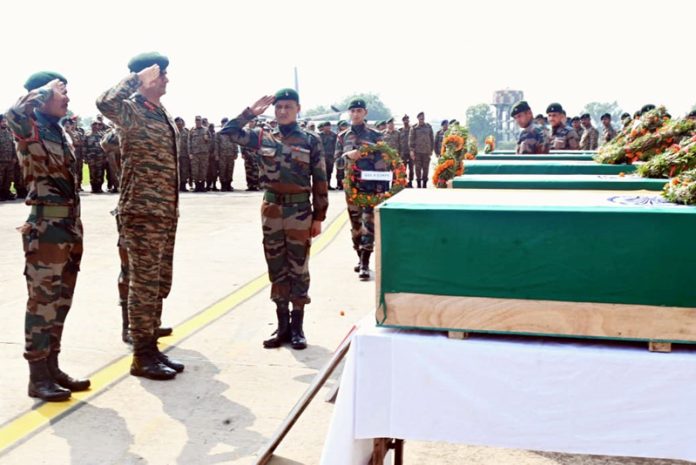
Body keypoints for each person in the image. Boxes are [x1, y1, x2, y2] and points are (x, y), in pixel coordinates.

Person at [97, 52, 183, 380]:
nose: (167, 80)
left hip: (164, 210)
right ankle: (141, 355)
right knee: (143, 285)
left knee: (159, 282)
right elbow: (104, 102)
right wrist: (136, 79)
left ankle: (151, 345)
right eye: (162, 75)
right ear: (147, 77)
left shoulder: (157, 111)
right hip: (142, 210)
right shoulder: (130, 108)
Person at [220, 89, 328, 350]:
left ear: (298, 109)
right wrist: (249, 113)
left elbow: (321, 179)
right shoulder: (261, 136)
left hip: (299, 211)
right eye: (278, 107)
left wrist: (319, 216)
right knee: (276, 265)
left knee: (299, 268)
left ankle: (298, 327)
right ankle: (282, 327)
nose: (282, 111)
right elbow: (226, 134)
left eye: (288, 107)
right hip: (271, 211)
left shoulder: (310, 140)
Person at [6, 71, 90, 401]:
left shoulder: (60, 131)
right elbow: (13, 113)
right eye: (62, 92)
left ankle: (53, 366)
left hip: (69, 228)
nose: (67, 98)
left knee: (61, 302)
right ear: (41, 96)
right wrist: (43, 90)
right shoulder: (28, 127)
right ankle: (37, 376)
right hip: (45, 231)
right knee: (42, 303)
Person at [335, 99, 386, 280]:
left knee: (369, 225)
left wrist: (382, 188)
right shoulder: (342, 137)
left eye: (359, 111)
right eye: (353, 111)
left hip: (371, 188)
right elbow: (337, 163)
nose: (355, 114)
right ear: (349, 113)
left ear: (365, 113)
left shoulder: (376, 136)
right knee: (356, 226)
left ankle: (365, 262)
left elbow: (384, 162)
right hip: (352, 188)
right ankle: (359, 256)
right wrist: (347, 156)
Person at [409, 111, 434, 188]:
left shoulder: (429, 127)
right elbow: (411, 140)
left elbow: (432, 139)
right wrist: (412, 151)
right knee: (418, 169)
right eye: (420, 118)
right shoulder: (414, 128)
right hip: (417, 152)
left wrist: (431, 150)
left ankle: (425, 183)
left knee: (426, 169)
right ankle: (419, 183)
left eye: (423, 118)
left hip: (426, 152)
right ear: (418, 118)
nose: (422, 119)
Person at [215, 117, 239, 191]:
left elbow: (235, 143)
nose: (225, 124)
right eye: (224, 123)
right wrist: (216, 155)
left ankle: (229, 184)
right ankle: (223, 185)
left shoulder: (232, 132)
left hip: (231, 155)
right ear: (222, 124)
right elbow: (216, 144)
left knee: (230, 170)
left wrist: (236, 152)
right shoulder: (219, 133)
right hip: (222, 155)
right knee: (222, 170)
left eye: (227, 123)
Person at [188, 115, 211, 192]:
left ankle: (202, 186)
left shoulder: (206, 130)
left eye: (199, 120)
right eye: (197, 120)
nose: (198, 122)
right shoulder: (192, 130)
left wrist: (207, 139)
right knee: (195, 170)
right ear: (195, 121)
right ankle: (197, 186)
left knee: (203, 170)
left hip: (204, 153)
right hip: (195, 154)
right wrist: (190, 153)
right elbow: (189, 142)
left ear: (201, 121)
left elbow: (211, 141)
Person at [0, 114, 18, 201]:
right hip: (1, 161)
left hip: (10, 160)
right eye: (3, 121)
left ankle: (6, 193)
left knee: (9, 179)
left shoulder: (9, 132)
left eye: (5, 121)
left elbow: (13, 145)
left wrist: (14, 157)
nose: (4, 123)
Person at [318, 122, 338, 189]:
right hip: (322, 157)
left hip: (330, 157)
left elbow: (336, 146)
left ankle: (328, 185)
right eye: (326, 126)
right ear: (323, 127)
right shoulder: (319, 135)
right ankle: (322, 186)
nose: (328, 128)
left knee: (329, 171)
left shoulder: (334, 135)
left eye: (329, 126)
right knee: (321, 172)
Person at [175, 117, 191, 191]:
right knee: (177, 171)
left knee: (184, 171)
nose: (179, 124)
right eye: (177, 122)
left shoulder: (186, 132)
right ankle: (177, 186)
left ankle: (183, 186)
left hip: (184, 154)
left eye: (180, 122)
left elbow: (190, 143)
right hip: (176, 155)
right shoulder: (174, 131)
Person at [398, 115, 413, 187]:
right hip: (403, 152)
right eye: (404, 120)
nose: (406, 121)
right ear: (403, 121)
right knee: (403, 168)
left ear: (409, 121)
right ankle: (404, 182)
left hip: (411, 152)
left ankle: (410, 182)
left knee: (411, 168)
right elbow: (398, 142)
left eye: (407, 120)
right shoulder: (400, 130)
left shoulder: (412, 129)